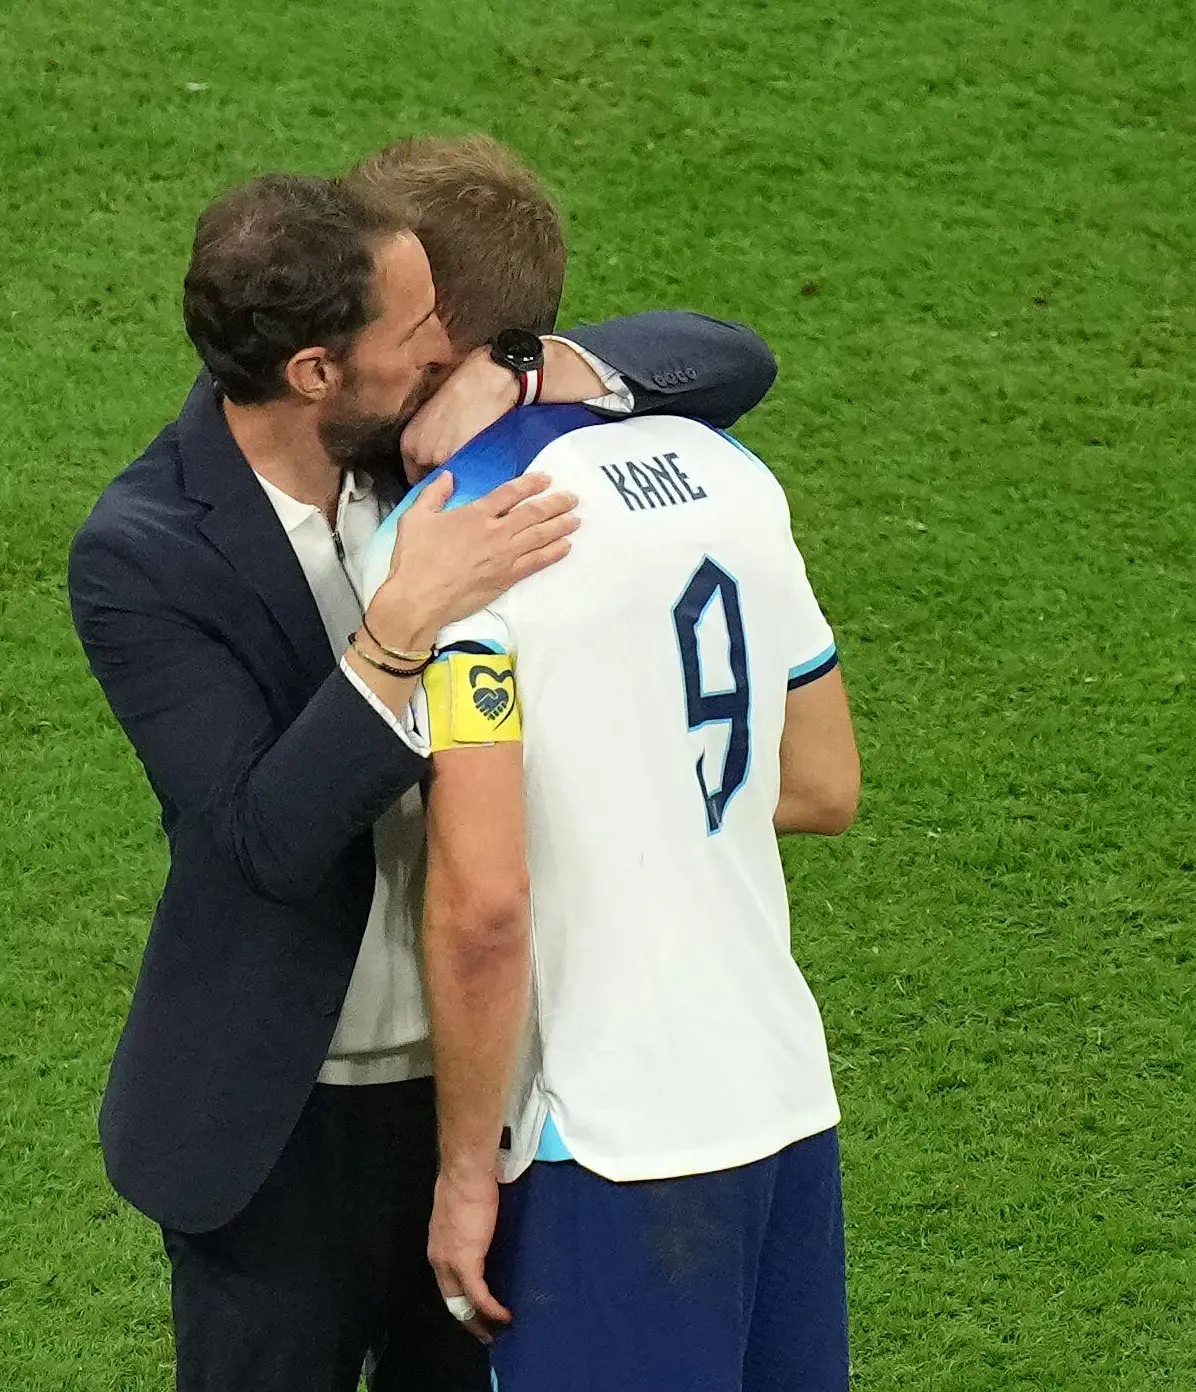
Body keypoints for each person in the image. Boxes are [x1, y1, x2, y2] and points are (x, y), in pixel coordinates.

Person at [69, 162, 783, 1392]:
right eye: (420, 336)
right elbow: (264, 841)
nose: (447, 351)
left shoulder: (428, 435)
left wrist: (530, 369)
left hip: (483, 1092)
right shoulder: (145, 554)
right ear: (316, 371)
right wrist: (402, 625)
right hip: (275, 1131)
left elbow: (729, 362)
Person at [358, 150, 863, 1390]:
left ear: (431, 332)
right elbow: (823, 783)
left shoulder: (452, 539)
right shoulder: (729, 473)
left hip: (608, 1143)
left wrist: (463, 1172)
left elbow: (485, 904)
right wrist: (637, 789)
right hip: (782, 1104)